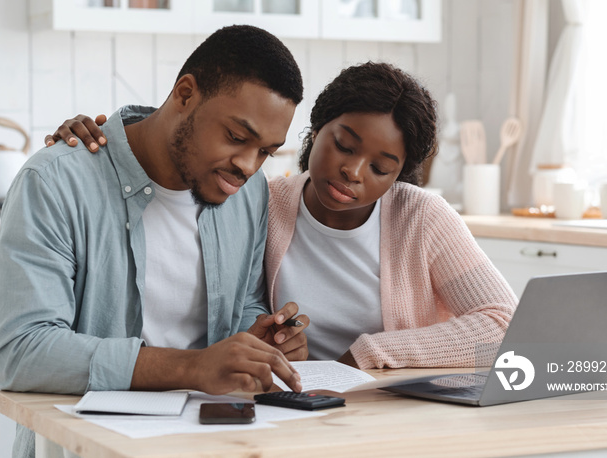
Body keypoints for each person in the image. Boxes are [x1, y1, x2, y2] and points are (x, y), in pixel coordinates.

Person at [48, 62, 518, 371]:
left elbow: (503, 324)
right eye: (344, 144)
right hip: (288, 411)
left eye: (380, 167)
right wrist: (108, 135)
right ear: (317, 128)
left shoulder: (422, 218)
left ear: (400, 175)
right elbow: (187, 141)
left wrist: (371, 353)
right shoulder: (258, 201)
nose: (352, 172)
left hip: (390, 413)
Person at [0, 25, 308, 458]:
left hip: (218, 440)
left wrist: (260, 341)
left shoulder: (248, 193)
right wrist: (193, 368)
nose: (249, 166)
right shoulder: (56, 181)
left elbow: (244, 300)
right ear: (185, 94)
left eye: (266, 151)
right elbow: (20, 351)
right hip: (88, 447)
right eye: (236, 137)